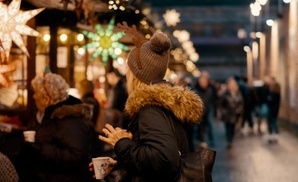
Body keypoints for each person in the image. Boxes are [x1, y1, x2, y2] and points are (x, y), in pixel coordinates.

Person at [92, 22, 204, 182]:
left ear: (137, 75)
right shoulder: (164, 104)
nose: (127, 74)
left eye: (129, 69)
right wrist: (120, 164)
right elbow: (151, 157)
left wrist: (121, 143)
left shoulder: (150, 108)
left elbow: (164, 159)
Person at [15, 67, 93, 182]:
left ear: (46, 99)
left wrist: (40, 149)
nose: (33, 96)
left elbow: (76, 156)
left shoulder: (70, 120)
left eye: (36, 92)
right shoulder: (40, 115)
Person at [220, 77, 244, 149]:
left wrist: (239, 109)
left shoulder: (238, 93)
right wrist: (223, 111)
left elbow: (241, 102)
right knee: (228, 128)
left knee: (232, 128)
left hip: (234, 114)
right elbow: (221, 103)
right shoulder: (225, 93)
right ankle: (229, 140)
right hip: (227, 113)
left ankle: (231, 140)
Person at [195, 74, 216, 148]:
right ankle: (202, 140)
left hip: (208, 110)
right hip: (201, 111)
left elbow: (213, 100)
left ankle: (211, 141)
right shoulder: (196, 90)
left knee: (210, 126)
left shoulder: (210, 90)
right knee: (200, 127)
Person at [266, 77, 281, 143]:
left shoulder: (272, 94)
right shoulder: (278, 94)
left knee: (271, 123)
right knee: (274, 123)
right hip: (275, 111)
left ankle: (272, 136)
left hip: (271, 111)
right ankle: (275, 136)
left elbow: (269, 102)